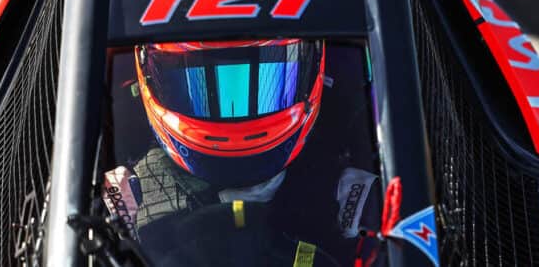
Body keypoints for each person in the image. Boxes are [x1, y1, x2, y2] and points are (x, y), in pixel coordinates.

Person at [102, 39, 381, 266]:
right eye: (204, 87)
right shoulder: (125, 200)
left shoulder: (352, 201)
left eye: (263, 86)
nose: (235, 116)